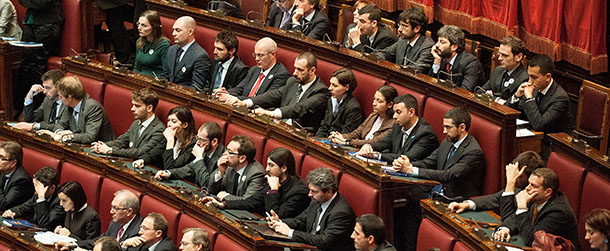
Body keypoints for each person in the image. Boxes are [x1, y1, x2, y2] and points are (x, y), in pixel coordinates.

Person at [393, 106, 485, 198]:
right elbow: (428, 162)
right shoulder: (448, 142)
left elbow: (447, 175)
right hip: (434, 190)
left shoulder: (473, 152)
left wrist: (411, 170)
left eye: (448, 127)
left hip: (454, 199)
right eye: (444, 127)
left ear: (462, 127)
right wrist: (407, 165)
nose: (444, 131)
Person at [236, 52, 330, 132]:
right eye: (295, 68)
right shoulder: (292, 81)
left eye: (300, 70)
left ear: (312, 70)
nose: (294, 73)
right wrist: (246, 102)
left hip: (300, 134)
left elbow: (300, 108)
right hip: (280, 126)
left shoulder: (321, 91)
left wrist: (272, 114)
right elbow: (274, 95)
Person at [267, 167, 355, 251]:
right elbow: (301, 221)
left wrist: (290, 232)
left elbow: (324, 241)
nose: (309, 194)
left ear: (329, 191)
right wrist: (279, 223)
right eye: (310, 190)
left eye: (314, 191)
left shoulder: (341, 213)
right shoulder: (317, 201)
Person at [493, 168, 580, 248]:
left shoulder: (558, 212)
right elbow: (516, 217)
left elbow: (532, 240)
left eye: (533, 185)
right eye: (529, 183)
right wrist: (505, 229)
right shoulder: (536, 197)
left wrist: (522, 208)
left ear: (548, 192)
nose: (527, 188)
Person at [212, 148, 310, 217]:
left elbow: (276, 215)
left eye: (271, 165)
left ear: (284, 168)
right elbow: (252, 202)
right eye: (267, 165)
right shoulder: (274, 179)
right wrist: (224, 204)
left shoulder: (299, 191)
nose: (267, 169)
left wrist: (274, 191)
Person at [448, 151, 544, 220]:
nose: (515, 178)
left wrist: (510, 182)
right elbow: (497, 198)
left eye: (519, 176)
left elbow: (508, 218)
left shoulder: (535, 196)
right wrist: (466, 204)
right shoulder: (519, 187)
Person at [13, 0, 63, 117]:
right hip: (31, 21)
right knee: (25, 64)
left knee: (38, 64)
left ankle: (37, 111)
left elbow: (41, 3)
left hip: (47, 22)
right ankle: (21, 106)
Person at [357, 94, 438, 163]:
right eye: (394, 112)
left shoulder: (426, 134)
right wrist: (369, 146)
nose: (394, 116)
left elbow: (407, 158)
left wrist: (377, 155)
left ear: (411, 112)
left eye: (398, 112)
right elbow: (384, 142)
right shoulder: (398, 126)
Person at [91, 88, 165, 161]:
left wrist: (110, 150)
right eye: (133, 105)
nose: (132, 109)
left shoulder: (159, 130)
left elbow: (140, 153)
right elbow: (122, 141)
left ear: (149, 108)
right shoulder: (136, 123)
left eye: (137, 106)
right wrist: (102, 145)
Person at [38, 76, 116, 144]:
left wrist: (64, 137)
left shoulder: (93, 108)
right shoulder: (69, 105)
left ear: (69, 98)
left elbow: (89, 137)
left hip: (101, 149)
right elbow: (61, 124)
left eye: (61, 97)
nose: (60, 99)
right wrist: (59, 133)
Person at [508, 54, 573, 134]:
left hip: (550, 142)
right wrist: (516, 96)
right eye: (529, 76)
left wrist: (529, 99)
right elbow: (516, 114)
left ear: (548, 77)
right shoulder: (534, 88)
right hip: (532, 135)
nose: (530, 81)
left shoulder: (560, 98)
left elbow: (539, 125)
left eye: (534, 77)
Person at [216, 37, 290, 102]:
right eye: (255, 55)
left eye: (260, 55)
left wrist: (233, 98)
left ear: (273, 54)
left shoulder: (281, 74)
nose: (257, 59)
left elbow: (265, 100)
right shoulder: (254, 69)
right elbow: (240, 88)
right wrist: (226, 93)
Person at [154, 122, 225, 188]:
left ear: (214, 141)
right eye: (197, 138)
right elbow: (189, 169)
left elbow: (207, 184)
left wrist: (198, 158)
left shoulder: (223, 159)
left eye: (202, 140)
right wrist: (168, 173)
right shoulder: (204, 149)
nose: (197, 143)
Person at [203, 135, 266, 206]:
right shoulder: (230, 167)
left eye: (229, 152)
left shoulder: (256, 173)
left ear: (242, 158)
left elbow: (247, 202)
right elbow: (211, 191)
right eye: (226, 149)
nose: (224, 154)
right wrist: (220, 173)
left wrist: (226, 197)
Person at [72, 190, 144, 250]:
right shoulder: (116, 222)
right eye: (112, 207)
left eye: (115, 208)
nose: (111, 211)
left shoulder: (139, 232)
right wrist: (74, 244)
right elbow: (100, 240)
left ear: (129, 212)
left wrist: (123, 245)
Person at [330, 85, 397, 148]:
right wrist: (340, 136)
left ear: (390, 105)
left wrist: (348, 142)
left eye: (379, 101)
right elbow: (357, 133)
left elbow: (374, 142)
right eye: (374, 99)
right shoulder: (373, 115)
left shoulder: (393, 125)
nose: (374, 103)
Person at [2, 166, 65, 230]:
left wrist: (41, 198)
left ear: (52, 188)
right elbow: (23, 208)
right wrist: (11, 211)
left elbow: (44, 224)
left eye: (39, 189)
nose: (36, 192)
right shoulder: (37, 193)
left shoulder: (61, 201)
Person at [428, 25, 485, 91]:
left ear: (454, 47)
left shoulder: (471, 64)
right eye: (438, 41)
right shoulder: (442, 58)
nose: (437, 45)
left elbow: (464, 92)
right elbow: (430, 83)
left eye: (442, 42)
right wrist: (437, 62)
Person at [379, 6, 434, 73]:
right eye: (399, 25)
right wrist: (378, 56)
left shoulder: (427, 47)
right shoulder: (403, 40)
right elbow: (385, 53)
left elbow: (416, 69)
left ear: (417, 28)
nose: (399, 29)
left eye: (405, 26)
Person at [161, 16, 211, 91]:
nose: (173, 33)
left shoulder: (200, 56)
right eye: (173, 30)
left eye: (178, 30)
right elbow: (164, 76)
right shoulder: (171, 49)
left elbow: (196, 88)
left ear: (190, 32)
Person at [315, 68, 363, 138]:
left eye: (335, 86)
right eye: (330, 84)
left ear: (346, 87)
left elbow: (345, 134)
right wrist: (316, 140)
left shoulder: (353, 108)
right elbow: (324, 125)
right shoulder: (331, 100)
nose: (330, 88)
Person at [481, 36, 528, 105]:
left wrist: (492, 98)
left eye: (504, 55)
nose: (499, 58)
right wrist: (498, 100)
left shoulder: (524, 79)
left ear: (519, 57)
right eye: (499, 54)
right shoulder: (498, 70)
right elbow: (480, 92)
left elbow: (515, 107)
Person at [133, 10, 171, 77]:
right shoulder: (139, 42)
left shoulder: (164, 45)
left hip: (155, 80)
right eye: (138, 24)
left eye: (144, 25)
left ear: (154, 27)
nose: (139, 28)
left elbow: (166, 72)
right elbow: (137, 67)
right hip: (140, 78)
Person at [93, 0, 132, 65]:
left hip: (114, 4)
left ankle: (124, 63)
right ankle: (93, 60)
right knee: (92, 34)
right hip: (92, 4)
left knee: (117, 33)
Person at [0, 141, 34, 211]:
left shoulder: (22, 180)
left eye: (2, 159)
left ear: (13, 163)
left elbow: (3, 205)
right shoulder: (2, 170)